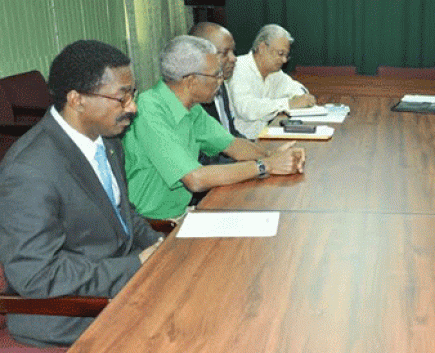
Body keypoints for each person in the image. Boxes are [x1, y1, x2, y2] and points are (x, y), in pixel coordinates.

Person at [0, 40, 163, 347]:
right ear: (77, 100)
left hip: (113, 286)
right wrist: (136, 264)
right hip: (68, 312)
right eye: (122, 97)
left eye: (133, 93)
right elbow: (37, 274)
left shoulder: (107, 140)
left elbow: (122, 214)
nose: (133, 107)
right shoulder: (29, 170)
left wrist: (161, 245)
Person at [123, 35, 306, 220]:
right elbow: (195, 179)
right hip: (151, 224)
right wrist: (265, 165)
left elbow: (233, 146)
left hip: (180, 214)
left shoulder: (191, 106)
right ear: (191, 81)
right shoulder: (149, 110)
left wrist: (272, 156)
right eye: (216, 75)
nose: (221, 81)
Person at [227, 24, 317, 138]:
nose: (284, 60)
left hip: (266, 137)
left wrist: (302, 98)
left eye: (286, 55)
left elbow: (297, 89)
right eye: (280, 54)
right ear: (262, 47)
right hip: (241, 142)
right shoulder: (238, 67)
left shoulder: (275, 73)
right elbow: (246, 109)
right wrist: (288, 103)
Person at [189, 22, 247, 141]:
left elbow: (230, 134)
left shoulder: (220, 83)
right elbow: (206, 154)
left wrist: (264, 152)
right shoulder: (192, 97)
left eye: (233, 51)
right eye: (225, 53)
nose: (233, 58)